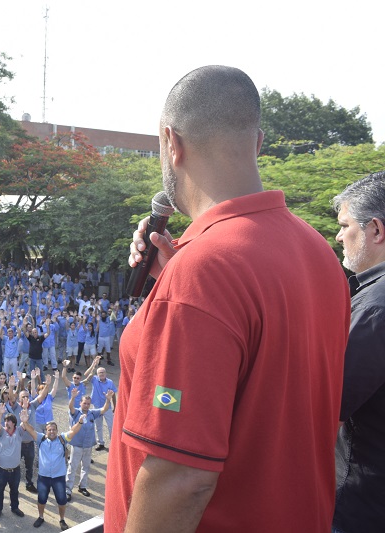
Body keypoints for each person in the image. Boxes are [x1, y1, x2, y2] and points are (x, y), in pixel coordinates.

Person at [104, 65, 350, 531]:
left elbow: (181, 480)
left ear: (171, 143)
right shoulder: (317, 250)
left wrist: (187, 284)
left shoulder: (204, 272)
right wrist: (175, 280)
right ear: (257, 143)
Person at [332, 171, 385, 532]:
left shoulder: (374, 308)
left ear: (376, 230)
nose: (338, 236)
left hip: (363, 506)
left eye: (345, 224)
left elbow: (326, 405)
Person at [20, 409, 85, 531]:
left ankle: (62, 519)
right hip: (43, 477)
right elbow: (31, 430)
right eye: (49, 429)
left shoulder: (62, 439)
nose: (52, 431)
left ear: (57, 431)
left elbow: (73, 431)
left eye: (54, 429)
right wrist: (25, 422)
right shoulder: (41, 439)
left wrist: (80, 422)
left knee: (61, 500)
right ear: (46, 431)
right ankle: (41, 517)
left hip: (59, 478)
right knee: (42, 499)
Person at [0, 404, 26, 520]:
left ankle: (14, 507)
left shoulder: (19, 432)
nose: (6, 423)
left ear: (14, 423)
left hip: (15, 469)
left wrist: (25, 409)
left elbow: (24, 423)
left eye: (9, 421)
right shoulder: (1, 433)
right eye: (5, 421)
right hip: (2, 469)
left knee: (14, 490)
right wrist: (0, 414)